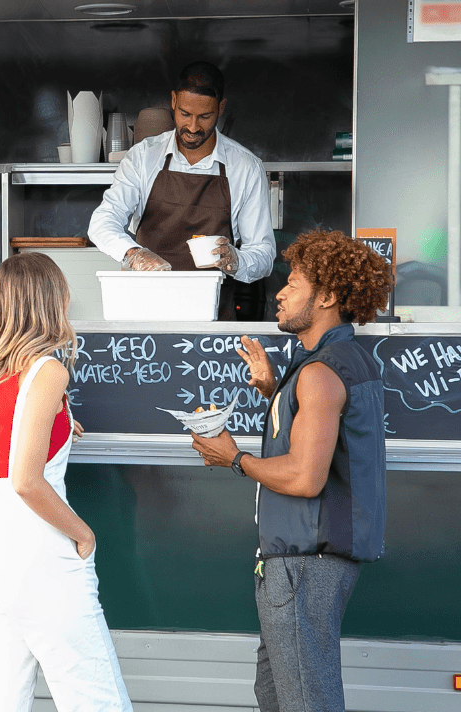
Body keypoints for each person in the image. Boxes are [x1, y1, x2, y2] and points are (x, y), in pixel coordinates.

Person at [190, 230, 393, 712]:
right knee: (277, 697)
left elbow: (305, 477)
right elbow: (320, 440)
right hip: (299, 561)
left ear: (325, 297)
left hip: (304, 562)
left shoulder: (322, 374)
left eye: (294, 283)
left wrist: (233, 459)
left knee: (306, 701)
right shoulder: (331, 365)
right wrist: (273, 392)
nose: (279, 292)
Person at [0, 252, 133, 712]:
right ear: (52, 301)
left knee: (0, 700)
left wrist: (61, 421)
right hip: (41, 556)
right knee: (96, 699)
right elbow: (26, 481)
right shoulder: (47, 370)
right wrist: (83, 534)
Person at [88, 61, 276, 319]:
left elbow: (264, 254)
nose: (193, 127)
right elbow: (102, 222)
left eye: (205, 116)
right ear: (174, 101)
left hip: (212, 314)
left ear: (221, 107)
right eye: (185, 114)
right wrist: (134, 253)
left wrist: (236, 260)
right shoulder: (143, 157)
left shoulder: (245, 167)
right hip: (143, 307)